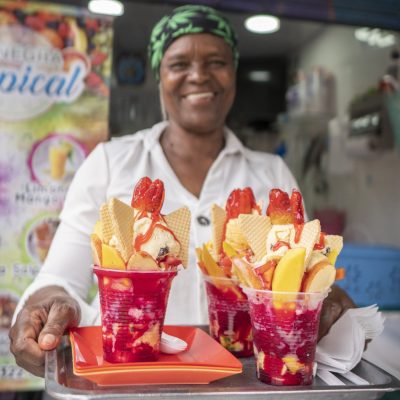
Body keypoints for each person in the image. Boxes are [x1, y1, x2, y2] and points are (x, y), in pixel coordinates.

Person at [9, 5, 355, 377]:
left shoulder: (271, 174)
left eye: (216, 62)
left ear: (233, 73)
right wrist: (47, 304)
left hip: (245, 384)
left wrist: (324, 300)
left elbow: (301, 277)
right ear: (159, 76)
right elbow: (60, 278)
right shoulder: (110, 162)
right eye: (178, 64)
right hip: (131, 384)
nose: (198, 75)